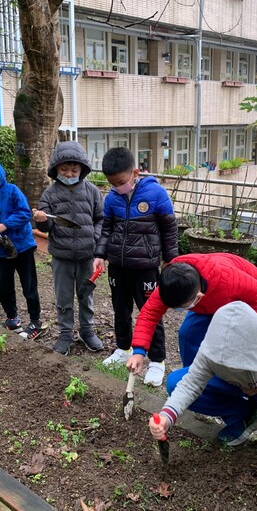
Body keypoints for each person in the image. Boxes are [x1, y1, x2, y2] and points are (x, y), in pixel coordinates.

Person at [149, 301, 257, 477]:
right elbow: (190, 384)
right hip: (232, 383)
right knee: (175, 382)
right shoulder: (211, 349)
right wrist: (166, 417)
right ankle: (244, 416)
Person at [93, 146, 178, 387]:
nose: (117, 186)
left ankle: (158, 360)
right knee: (120, 309)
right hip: (118, 266)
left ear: (135, 172)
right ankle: (123, 349)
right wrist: (100, 254)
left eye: (121, 182)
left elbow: (169, 228)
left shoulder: (156, 194)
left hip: (146, 266)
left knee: (149, 312)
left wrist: (170, 258)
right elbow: (106, 228)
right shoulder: (111, 198)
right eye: (112, 183)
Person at [127, 253, 257, 373]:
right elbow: (149, 314)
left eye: (182, 307)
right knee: (187, 334)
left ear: (198, 297)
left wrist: (241, 327)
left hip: (242, 295)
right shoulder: (171, 286)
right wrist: (139, 352)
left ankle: (228, 380)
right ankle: (191, 377)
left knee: (225, 341)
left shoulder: (231, 281)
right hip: (208, 299)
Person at [33, 142, 104, 355]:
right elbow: (46, 225)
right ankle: (65, 333)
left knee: (86, 295)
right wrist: (41, 220)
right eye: (64, 169)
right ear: (56, 169)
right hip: (61, 256)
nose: (69, 173)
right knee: (63, 297)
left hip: (86, 255)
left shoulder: (92, 191)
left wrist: (94, 237)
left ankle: (87, 330)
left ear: (82, 169)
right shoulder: (50, 194)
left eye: (74, 170)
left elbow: (101, 218)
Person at [0, 153, 46, 339]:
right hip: (1, 251)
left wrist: (4, 225)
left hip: (23, 246)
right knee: (4, 288)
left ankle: (36, 321)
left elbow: (24, 212)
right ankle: (13, 319)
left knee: (29, 286)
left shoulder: (12, 191)